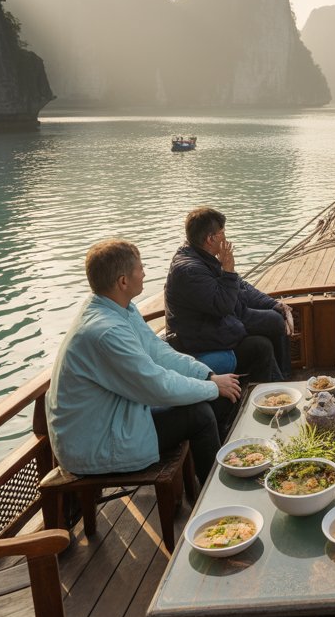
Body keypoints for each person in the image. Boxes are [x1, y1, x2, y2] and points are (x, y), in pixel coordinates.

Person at [47, 239, 241, 485]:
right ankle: (216, 492)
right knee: (199, 414)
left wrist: (207, 376)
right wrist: (213, 388)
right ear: (123, 281)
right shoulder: (106, 332)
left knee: (217, 395)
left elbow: (158, 351)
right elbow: (156, 386)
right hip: (95, 444)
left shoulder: (119, 308)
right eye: (140, 268)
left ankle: (224, 470)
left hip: (115, 414)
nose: (145, 272)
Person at [164, 207, 293, 385]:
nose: (225, 238)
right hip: (199, 338)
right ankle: (273, 386)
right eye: (222, 233)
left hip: (218, 324)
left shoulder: (204, 257)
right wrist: (229, 270)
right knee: (261, 344)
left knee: (275, 318)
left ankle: (282, 381)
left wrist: (275, 304)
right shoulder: (189, 270)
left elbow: (241, 287)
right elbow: (223, 305)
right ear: (211, 239)